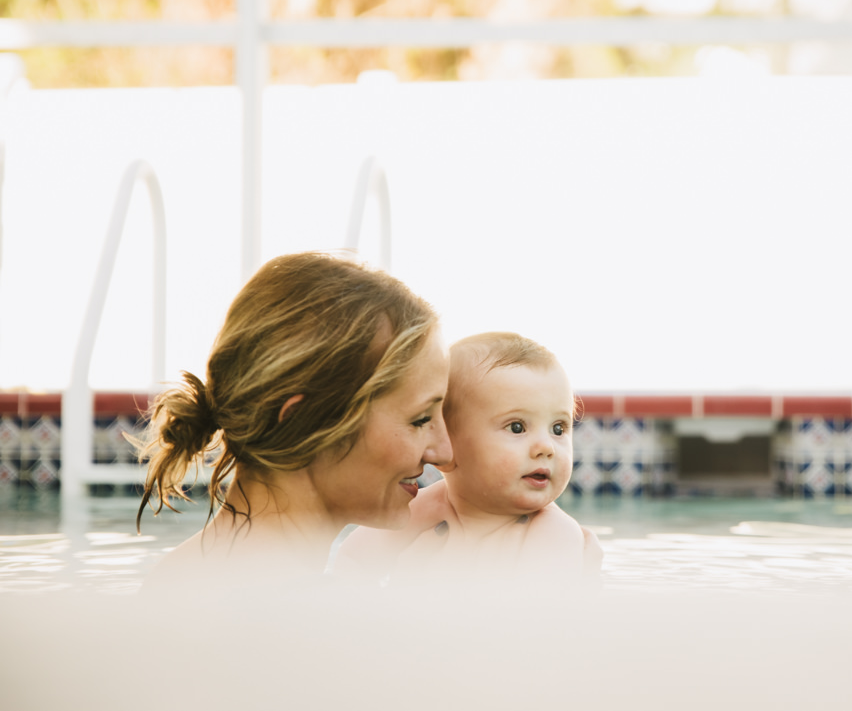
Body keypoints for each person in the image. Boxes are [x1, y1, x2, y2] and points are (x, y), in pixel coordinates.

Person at [136, 251, 452, 593]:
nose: (444, 453)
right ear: (302, 422)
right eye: (419, 419)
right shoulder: (316, 611)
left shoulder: (177, 577)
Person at [337, 331, 602, 588]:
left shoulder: (553, 533)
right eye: (517, 427)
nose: (546, 447)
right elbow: (351, 564)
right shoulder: (423, 510)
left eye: (558, 428)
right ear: (446, 445)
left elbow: (537, 618)